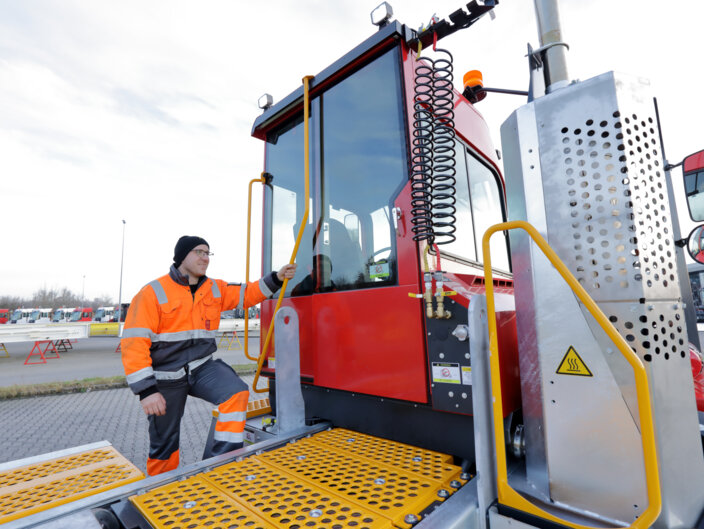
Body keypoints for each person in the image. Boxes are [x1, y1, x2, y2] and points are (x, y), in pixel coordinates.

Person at [120, 235, 296, 475]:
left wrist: (276, 278)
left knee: (237, 393)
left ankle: (219, 466)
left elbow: (248, 294)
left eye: (207, 253)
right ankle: (159, 486)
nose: (205, 258)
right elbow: (133, 343)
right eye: (199, 252)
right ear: (182, 257)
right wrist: (147, 391)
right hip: (166, 375)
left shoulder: (214, 288)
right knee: (164, 442)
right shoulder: (152, 293)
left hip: (202, 367)